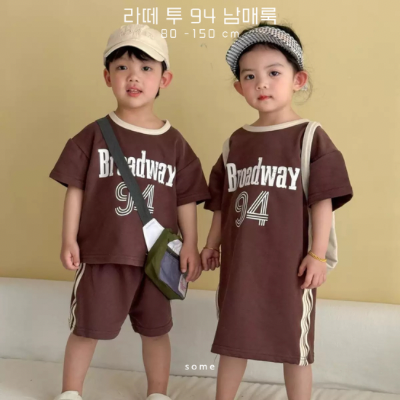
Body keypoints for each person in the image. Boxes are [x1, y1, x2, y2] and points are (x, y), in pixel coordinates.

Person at [49, 23, 210, 400]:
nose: (133, 77)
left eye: (146, 68)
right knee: (86, 328)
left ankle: (158, 393)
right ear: (108, 77)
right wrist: (68, 238)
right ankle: (71, 392)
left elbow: (186, 199)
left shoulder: (175, 143)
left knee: (157, 331)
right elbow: (76, 189)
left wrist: (191, 243)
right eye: (122, 67)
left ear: (164, 79)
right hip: (103, 254)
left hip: (157, 260)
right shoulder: (94, 134)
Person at [200, 22, 353, 400]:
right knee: (232, 341)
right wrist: (211, 245)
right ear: (239, 87)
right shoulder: (235, 143)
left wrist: (318, 254)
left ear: (298, 79)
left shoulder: (310, 136)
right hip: (241, 265)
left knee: (294, 348)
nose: (262, 84)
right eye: (250, 76)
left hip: (290, 267)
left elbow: (322, 201)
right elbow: (221, 204)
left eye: (273, 73)